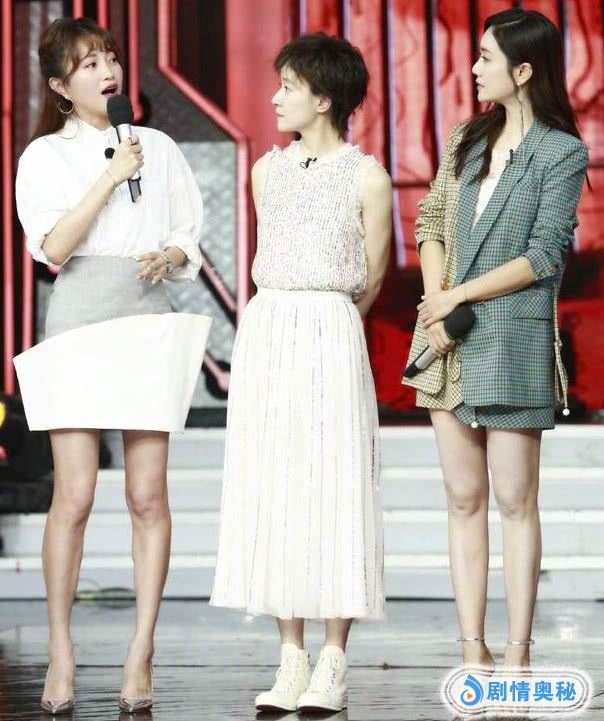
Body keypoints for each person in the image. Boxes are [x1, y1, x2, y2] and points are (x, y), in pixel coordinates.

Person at [13, 17, 210, 714]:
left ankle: (141, 649)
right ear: (60, 85)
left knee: (147, 495)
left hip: (145, 312)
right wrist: (109, 175)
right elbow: (52, 247)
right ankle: (60, 651)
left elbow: (188, 235)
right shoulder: (43, 156)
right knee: (74, 495)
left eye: (110, 58)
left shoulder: (158, 146)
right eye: (88, 63)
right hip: (77, 317)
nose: (107, 71)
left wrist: (170, 256)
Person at [210, 32, 392, 713]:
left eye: (288, 86)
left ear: (324, 97)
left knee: (335, 484)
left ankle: (334, 661)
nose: (274, 98)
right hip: (269, 329)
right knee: (277, 483)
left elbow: (371, 277)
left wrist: (330, 324)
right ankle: (291, 658)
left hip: (331, 330)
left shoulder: (368, 177)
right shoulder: (267, 171)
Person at [403, 8, 589, 669]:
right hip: (444, 337)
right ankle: (471, 648)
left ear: (524, 70)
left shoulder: (561, 152)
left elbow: (543, 255)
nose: (475, 67)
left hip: (510, 336)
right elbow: (430, 219)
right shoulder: (466, 139)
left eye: (486, 57)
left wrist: (456, 297)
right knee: (462, 499)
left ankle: (517, 652)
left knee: (514, 500)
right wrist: (436, 302)